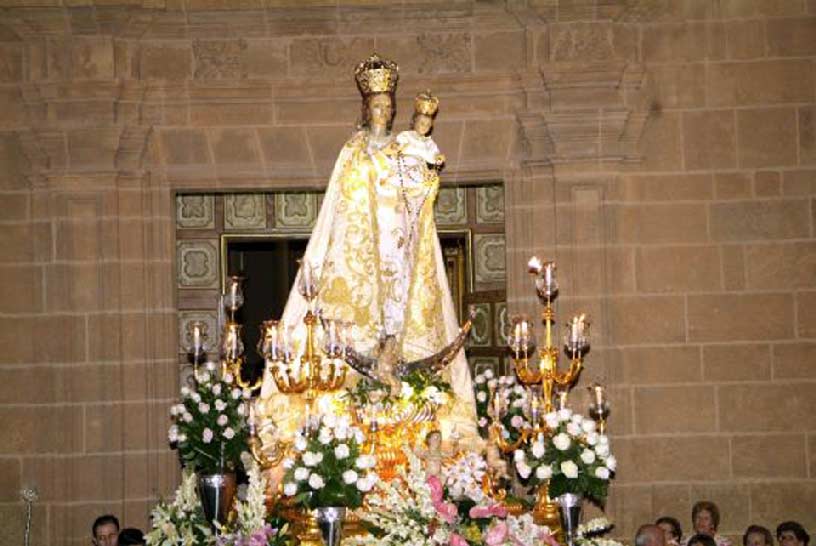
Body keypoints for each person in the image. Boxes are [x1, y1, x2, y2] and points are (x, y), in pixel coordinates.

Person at [258, 53, 478, 449]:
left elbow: (420, 185)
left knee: (408, 314)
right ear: (367, 108)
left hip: (396, 250)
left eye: (388, 107)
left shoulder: (402, 148)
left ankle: (402, 370)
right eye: (377, 106)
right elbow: (338, 209)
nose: (382, 112)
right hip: (359, 255)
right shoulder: (353, 151)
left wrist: (421, 143)